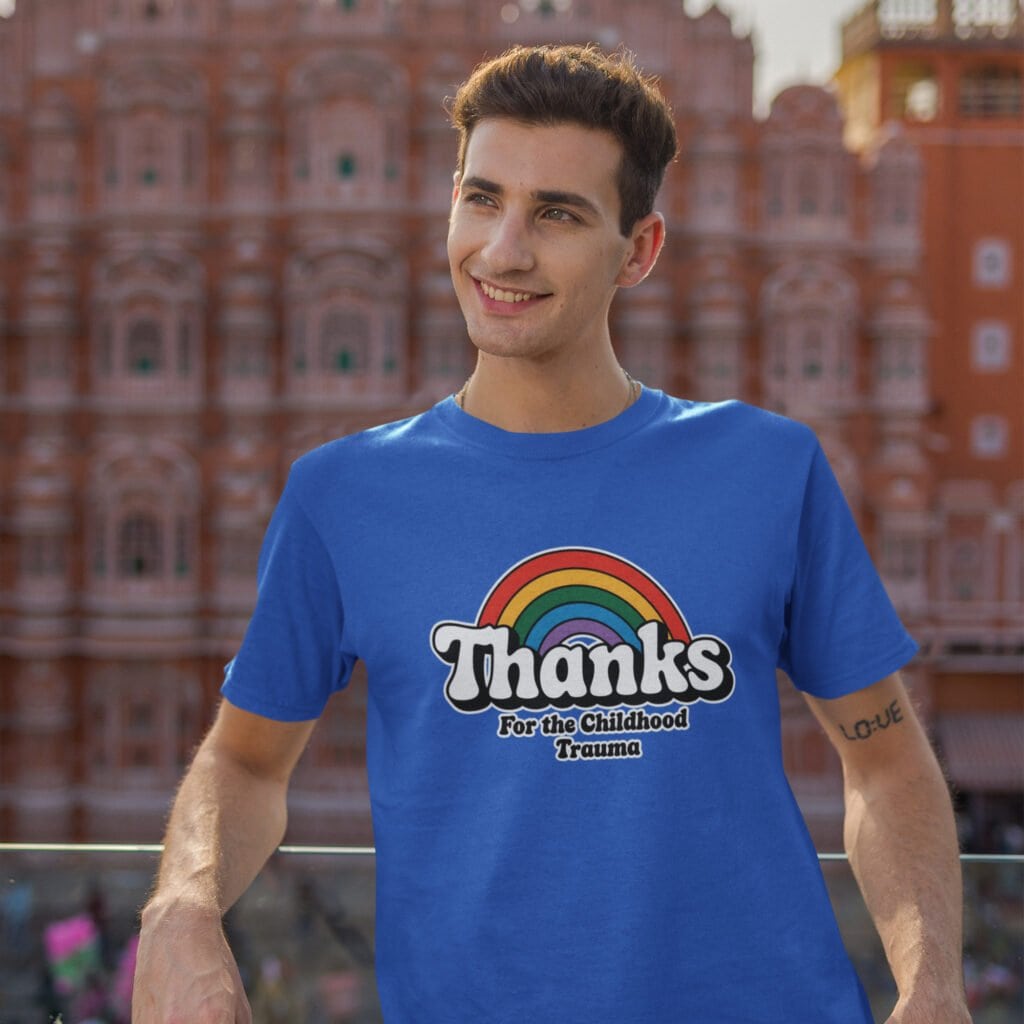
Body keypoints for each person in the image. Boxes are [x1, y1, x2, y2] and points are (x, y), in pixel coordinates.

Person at [132, 44, 971, 1024]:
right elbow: (244, 762)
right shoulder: (343, 496)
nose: (503, 251)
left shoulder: (768, 469)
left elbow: (883, 758)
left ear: (639, 250)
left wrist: (933, 985)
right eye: (481, 200)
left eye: (557, 214)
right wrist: (182, 905)